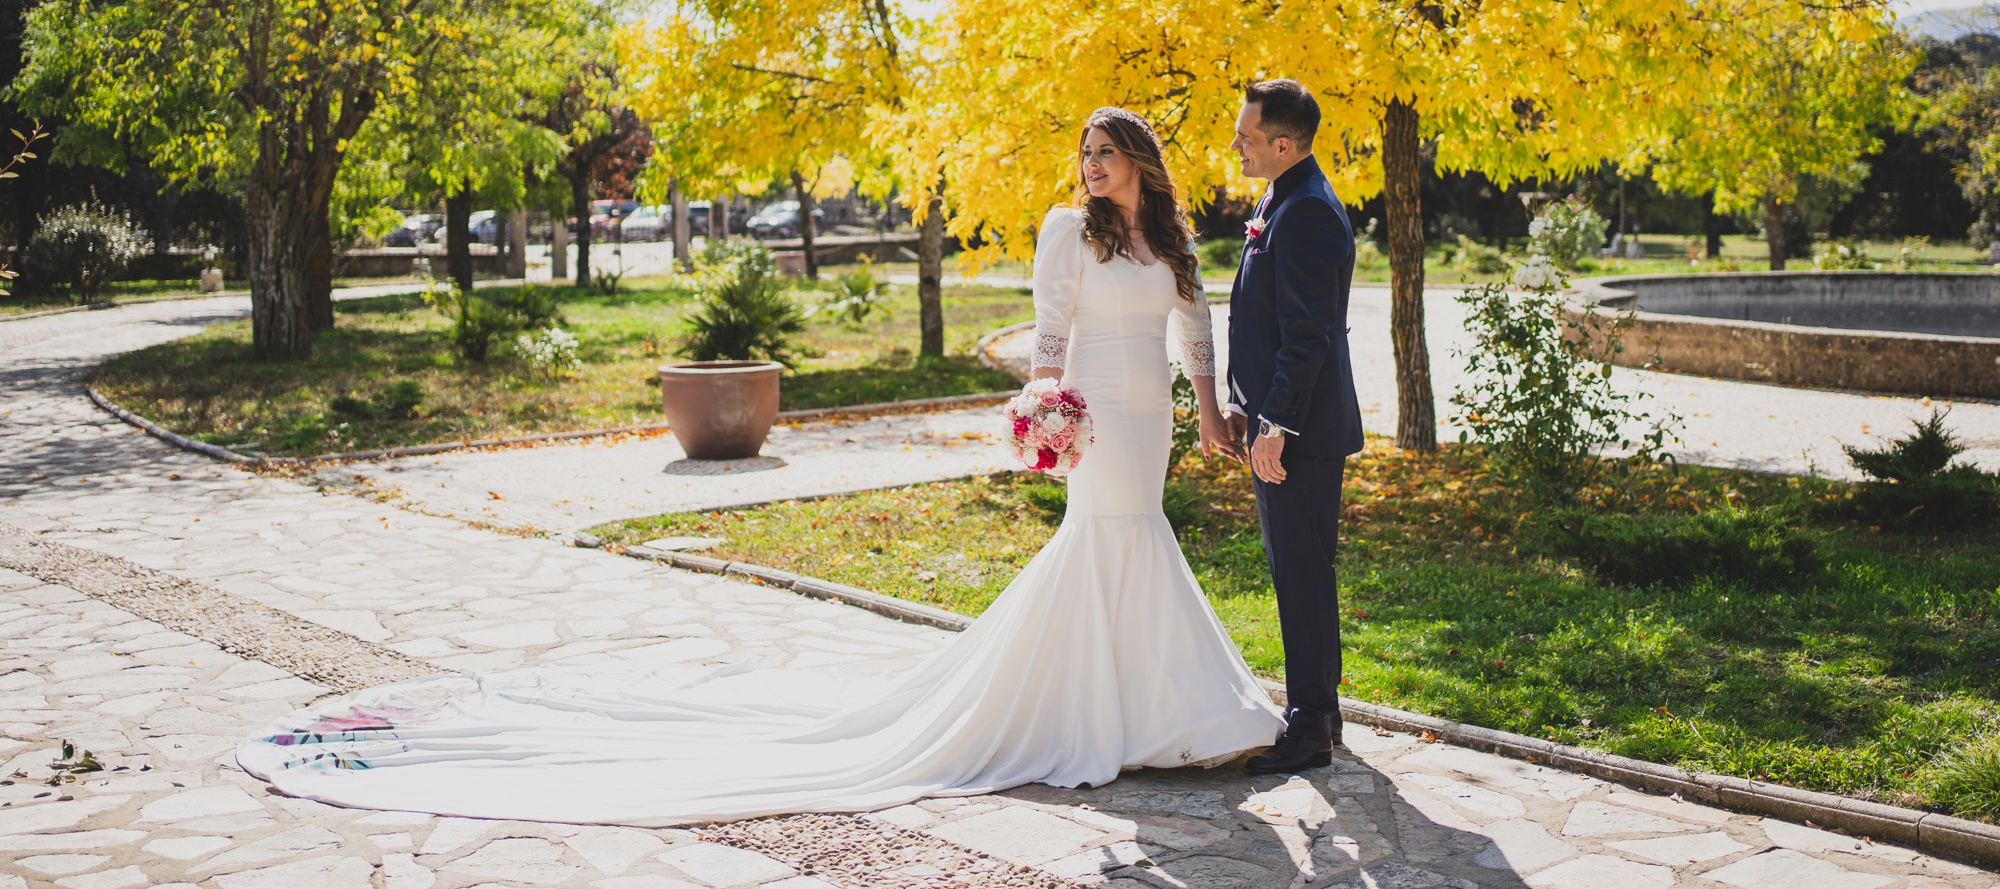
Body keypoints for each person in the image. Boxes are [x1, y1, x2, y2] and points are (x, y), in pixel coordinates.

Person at [235, 106, 1281, 825]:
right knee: (1105, 538)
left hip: (1150, 414)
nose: (1090, 165)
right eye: (1084, 152)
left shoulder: (1171, 247)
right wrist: (1045, 408)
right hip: (1091, 415)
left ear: (1140, 160)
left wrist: (1213, 415)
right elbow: (1049, 336)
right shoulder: (1068, 230)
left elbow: (1195, 335)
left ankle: (1148, 705)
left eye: (1105, 152)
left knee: (1134, 537)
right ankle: (1116, 711)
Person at [1223, 79, 1365, 775]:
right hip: (1284, 420)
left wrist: (1274, 421)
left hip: (1299, 431)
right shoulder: (1283, 195)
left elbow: (1306, 335)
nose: (1236, 145)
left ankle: (1309, 724)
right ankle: (1322, 711)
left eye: (1246, 136)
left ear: (1284, 143)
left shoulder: (1306, 209)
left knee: (1301, 573)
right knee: (1301, 570)